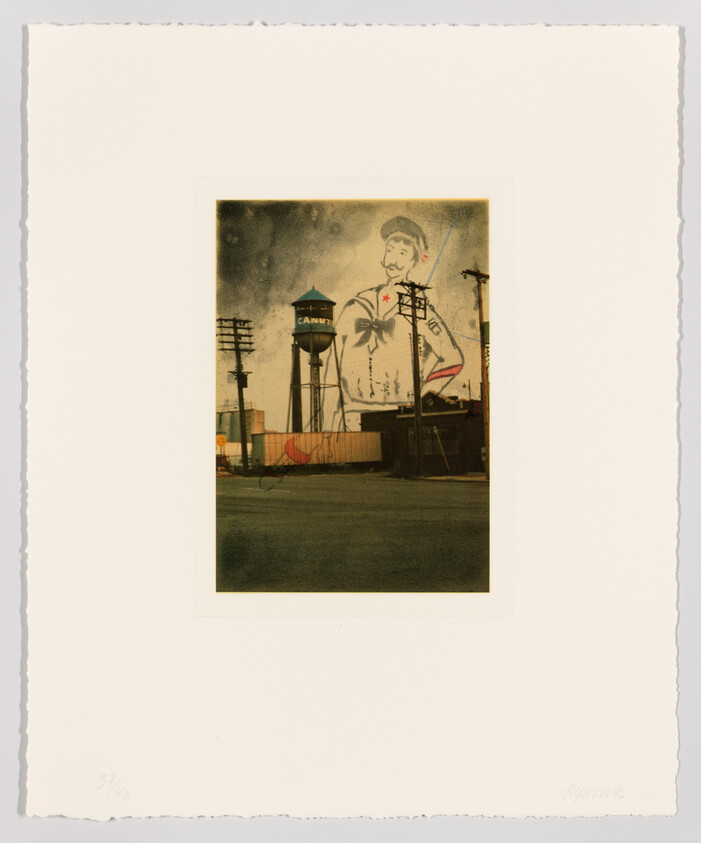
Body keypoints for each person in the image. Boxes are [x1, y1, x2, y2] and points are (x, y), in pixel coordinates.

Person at [325, 216, 464, 429]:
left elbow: (453, 358)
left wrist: (424, 398)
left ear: (414, 261)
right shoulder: (357, 304)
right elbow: (332, 366)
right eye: (390, 250)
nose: (394, 260)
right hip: (353, 416)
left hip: (400, 415)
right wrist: (330, 420)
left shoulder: (420, 307)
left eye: (403, 253)